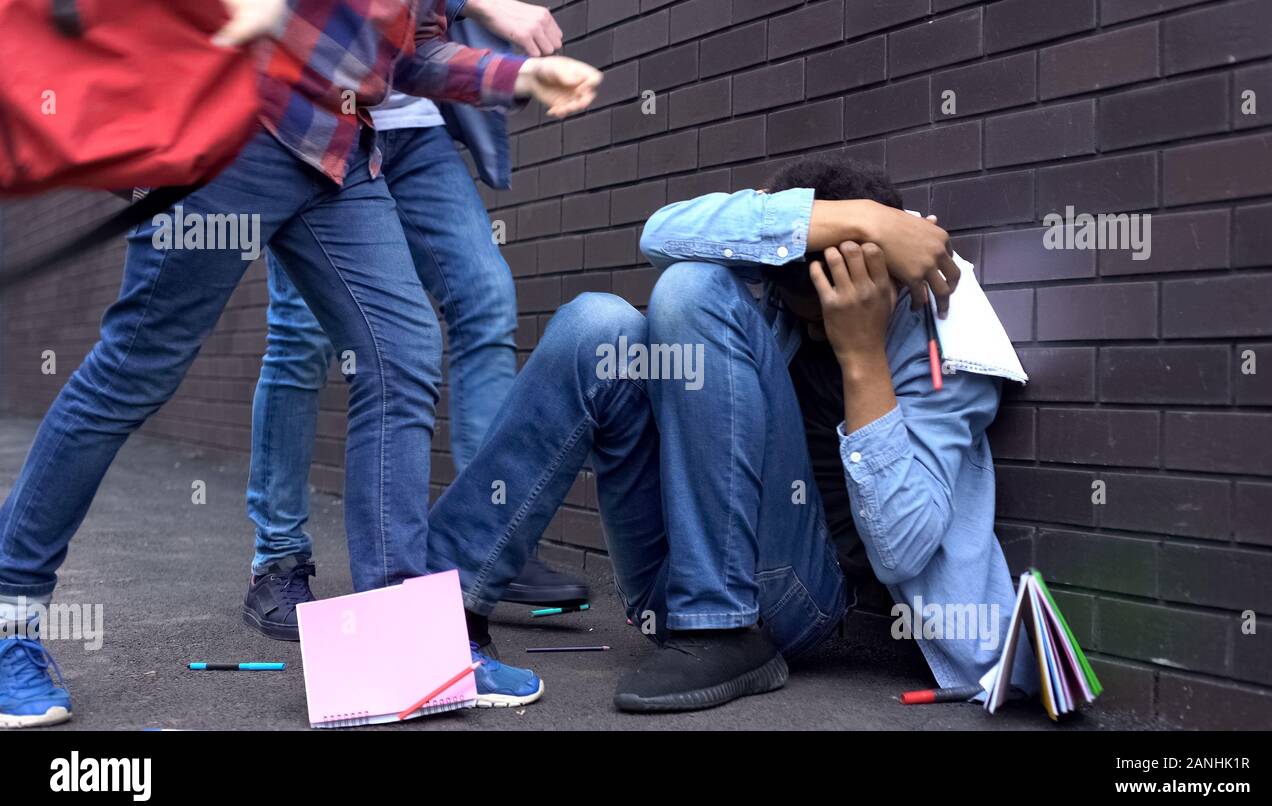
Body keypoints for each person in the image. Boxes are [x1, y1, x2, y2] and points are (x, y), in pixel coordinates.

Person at [0, 0, 600, 728]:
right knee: (132, 374)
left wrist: (522, 74)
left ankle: (397, 649)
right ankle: (9, 620)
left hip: (338, 152)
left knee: (403, 354)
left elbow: (408, 54)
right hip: (233, 136)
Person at [415, 156, 1032, 712]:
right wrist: (860, 219)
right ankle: (437, 617)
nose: (804, 330)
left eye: (813, 316)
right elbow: (660, 233)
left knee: (693, 289)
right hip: (671, 582)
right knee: (594, 326)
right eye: (792, 310)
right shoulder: (794, 272)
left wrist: (862, 356)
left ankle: (722, 627)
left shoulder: (946, 339)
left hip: (797, 600)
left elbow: (903, 548)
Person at [242, 0, 589, 646]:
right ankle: (279, 556)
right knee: (302, 336)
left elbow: (422, 35)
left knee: (484, 295)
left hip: (413, 117)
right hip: (316, 116)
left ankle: (485, 535)